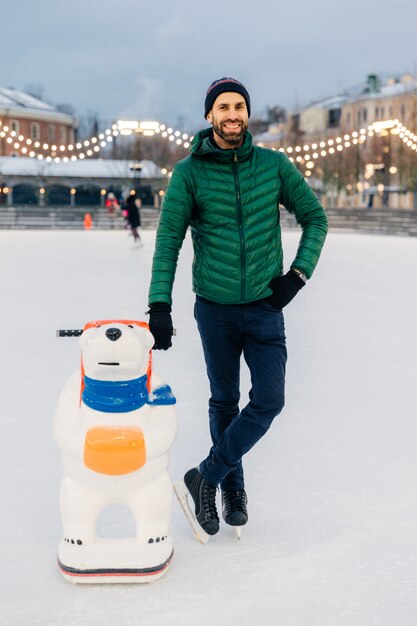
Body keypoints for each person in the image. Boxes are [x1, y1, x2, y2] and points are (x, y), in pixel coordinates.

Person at [147, 77, 328, 537]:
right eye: (223, 107)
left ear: (248, 114)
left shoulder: (273, 166)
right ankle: (232, 488)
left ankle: (207, 474)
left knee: (269, 399)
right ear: (209, 116)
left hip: (266, 308)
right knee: (224, 400)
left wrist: (297, 276)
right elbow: (169, 241)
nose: (232, 114)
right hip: (216, 309)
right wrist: (159, 304)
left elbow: (315, 218)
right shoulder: (188, 173)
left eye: (239, 106)